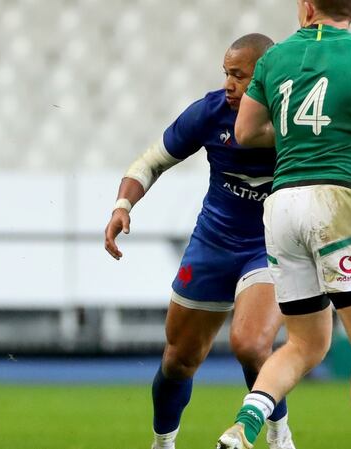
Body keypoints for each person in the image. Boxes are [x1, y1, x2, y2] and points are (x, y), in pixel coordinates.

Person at [215, 1, 351, 448]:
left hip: (284, 203)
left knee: (304, 344)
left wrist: (305, 137)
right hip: (340, 202)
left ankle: (244, 425)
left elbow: (247, 132)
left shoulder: (275, 57)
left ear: (307, 6)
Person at [104, 34, 297, 449]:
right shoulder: (211, 112)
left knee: (250, 344)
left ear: (267, 77)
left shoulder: (296, 119)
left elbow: (349, 147)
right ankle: (163, 443)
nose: (229, 84)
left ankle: (279, 437)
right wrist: (123, 205)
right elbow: (151, 161)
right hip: (213, 245)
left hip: (269, 248)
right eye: (226, 73)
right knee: (179, 359)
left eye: (239, 75)